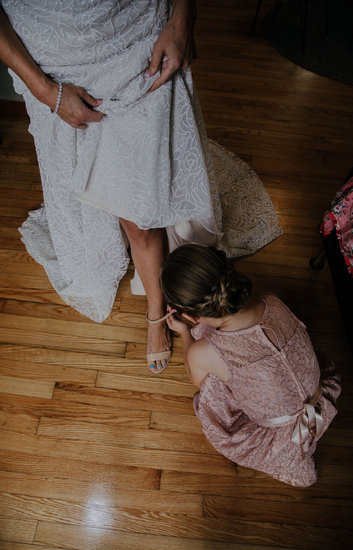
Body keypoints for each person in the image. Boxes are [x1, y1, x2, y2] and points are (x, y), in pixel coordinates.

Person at [0, 1, 282, 374]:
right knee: (96, 190)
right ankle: (154, 300)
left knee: (140, 215)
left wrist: (183, 17)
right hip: (55, 60)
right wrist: (44, 89)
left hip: (135, 41)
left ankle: (157, 313)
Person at [160, 244, 341, 486]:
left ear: (190, 316)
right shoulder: (270, 300)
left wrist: (183, 331)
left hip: (285, 431)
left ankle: (294, 462)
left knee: (212, 384)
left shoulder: (204, 351)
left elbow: (197, 378)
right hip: (321, 394)